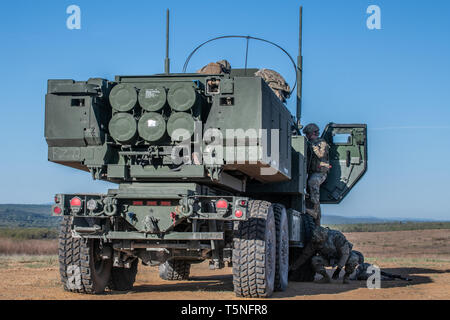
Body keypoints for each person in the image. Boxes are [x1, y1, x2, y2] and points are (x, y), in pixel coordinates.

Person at [289, 226, 363, 284]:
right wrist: (293, 268)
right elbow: (304, 256)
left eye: (319, 241)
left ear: (324, 236)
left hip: (342, 257)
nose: (317, 243)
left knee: (353, 259)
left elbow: (345, 254)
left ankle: (346, 276)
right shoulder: (314, 242)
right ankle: (326, 277)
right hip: (328, 259)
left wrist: (338, 269)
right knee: (315, 260)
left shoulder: (337, 236)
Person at [303, 123, 331, 226]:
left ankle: (314, 209)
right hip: (311, 172)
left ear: (313, 133)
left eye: (308, 134)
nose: (307, 136)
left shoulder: (321, 142)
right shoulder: (309, 142)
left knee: (312, 182)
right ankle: (314, 212)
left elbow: (321, 154)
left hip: (320, 173)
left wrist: (314, 146)